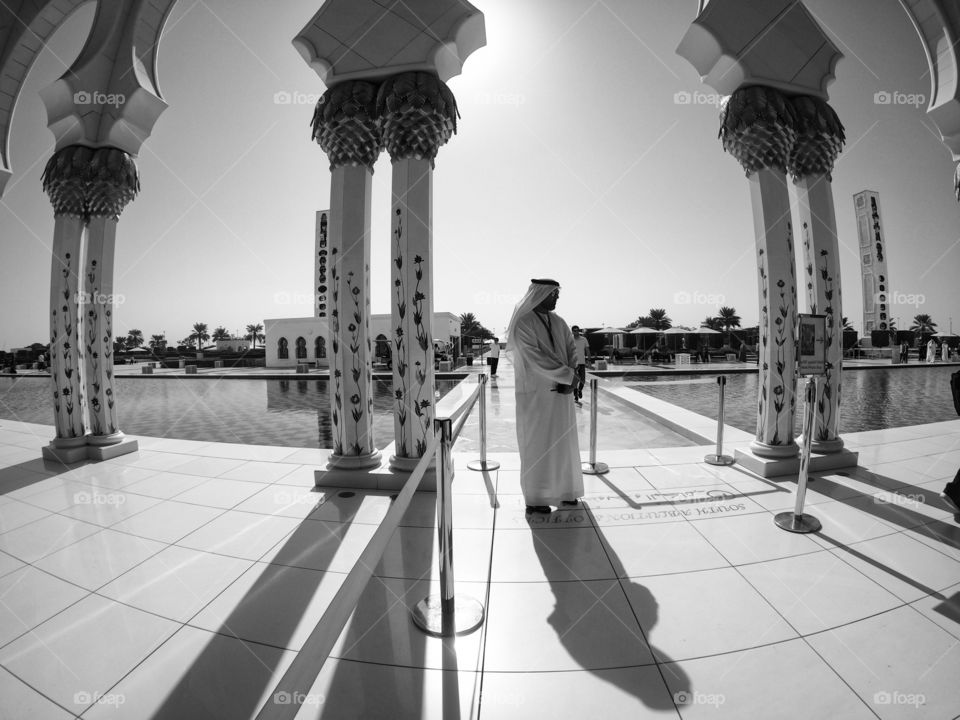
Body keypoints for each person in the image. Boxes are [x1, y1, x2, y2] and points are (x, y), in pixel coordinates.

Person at [506, 278, 583, 514]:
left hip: (562, 394)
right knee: (537, 446)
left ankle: (567, 492)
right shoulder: (524, 323)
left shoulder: (560, 322)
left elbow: (572, 350)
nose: (557, 298)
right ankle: (536, 499)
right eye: (553, 294)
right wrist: (567, 376)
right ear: (540, 294)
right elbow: (533, 357)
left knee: (564, 444)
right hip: (536, 396)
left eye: (557, 294)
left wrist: (572, 378)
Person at [570, 326, 589, 406]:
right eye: (574, 331)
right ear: (572, 331)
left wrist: (589, 360)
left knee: (583, 380)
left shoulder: (583, 339)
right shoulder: (570, 339)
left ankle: (579, 390)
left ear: (579, 331)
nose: (575, 332)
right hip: (573, 363)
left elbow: (587, 350)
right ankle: (575, 395)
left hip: (582, 362)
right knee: (575, 380)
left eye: (577, 330)